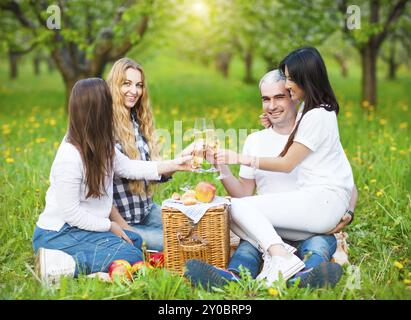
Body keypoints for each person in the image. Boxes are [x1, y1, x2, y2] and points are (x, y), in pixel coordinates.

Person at [185, 69, 357, 289]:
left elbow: (346, 182)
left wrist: (348, 213)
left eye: (279, 97)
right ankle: (234, 277)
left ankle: (308, 274)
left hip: (309, 221)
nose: (272, 105)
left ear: (294, 95)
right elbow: (243, 195)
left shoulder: (312, 131)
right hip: (267, 224)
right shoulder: (255, 140)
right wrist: (221, 164)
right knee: (251, 244)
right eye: (266, 99)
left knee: (318, 242)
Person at [32, 78, 192, 285]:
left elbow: (129, 167)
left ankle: (95, 273)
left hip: (84, 228)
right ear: (97, 110)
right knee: (133, 256)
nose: (112, 108)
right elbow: (71, 214)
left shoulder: (100, 143)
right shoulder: (69, 157)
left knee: (135, 243)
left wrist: (176, 164)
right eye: (108, 103)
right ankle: (59, 266)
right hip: (58, 235)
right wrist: (110, 226)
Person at [106, 58, 192, 252]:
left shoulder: (137, 120)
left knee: (195, 232)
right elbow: (101, 188)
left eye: (139, 85)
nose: (134, 91)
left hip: (145, 210)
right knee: (181, 246)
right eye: (126, 84)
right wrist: (123, 227)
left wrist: (182, 158)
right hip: (122, 220)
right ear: (114, 85)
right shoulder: (105, 126)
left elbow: (152, 173)